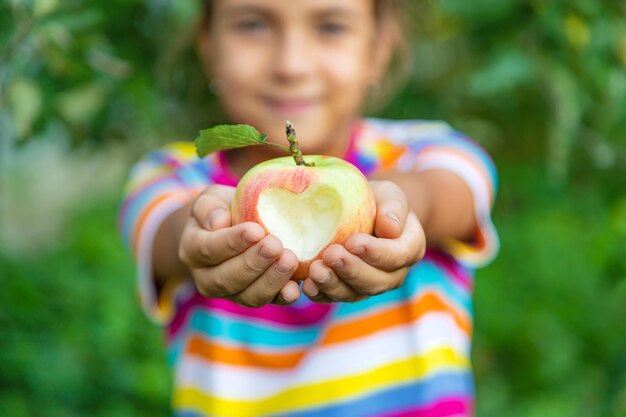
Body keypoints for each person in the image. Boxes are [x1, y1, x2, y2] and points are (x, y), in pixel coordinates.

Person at [118, 0, 499, 416]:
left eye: (331, 27)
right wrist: (201, 236)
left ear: (377, 50)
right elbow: (163, 232)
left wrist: (395, 205)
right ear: (208, 47)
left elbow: (461, 188)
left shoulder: (423, 151)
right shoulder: (172, 176)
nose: (291, 65)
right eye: (252, 25)